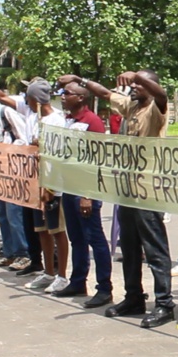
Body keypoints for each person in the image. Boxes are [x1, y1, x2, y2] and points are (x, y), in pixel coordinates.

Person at [57, 70, 175, 329]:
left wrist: (138, 77)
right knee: (129, 248)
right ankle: (134, 297)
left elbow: (162, 94)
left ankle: (165, 303)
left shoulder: (156, 109)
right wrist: (80, 80)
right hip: (127, 189)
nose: (133, 87)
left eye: (138, 84)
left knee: (155, 250)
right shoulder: (130, 105)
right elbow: (104, 93)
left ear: (149, 85)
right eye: (132, 83)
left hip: (149, 192)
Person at [0, 72, 46, 276]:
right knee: (3, 213)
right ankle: (10, 250)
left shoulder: (9, 111)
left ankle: (23, 252)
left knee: (15, 213)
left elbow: (23, 138)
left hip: (14, 167)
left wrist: (11, 152)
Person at [55, 81, 114, 309]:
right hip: (69, 188)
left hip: (84, 190)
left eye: (67, 93)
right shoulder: (69, 121)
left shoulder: (93, 122)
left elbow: (97, 160)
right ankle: (78, 281)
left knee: (95, 239)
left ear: (80, 98)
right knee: (76, 238)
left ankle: (104, 288)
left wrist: (88, 194)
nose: (62, 96)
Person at [20, 81, 71, 295]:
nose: (27, 103)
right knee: (42, 230)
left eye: (29, 99)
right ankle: (48, 271)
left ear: (36, 100)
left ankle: (62, 275)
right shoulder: (36, 119)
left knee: (57, 230)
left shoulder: (57, 120)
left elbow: (61, 152)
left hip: (54, 185)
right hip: (38, 182)